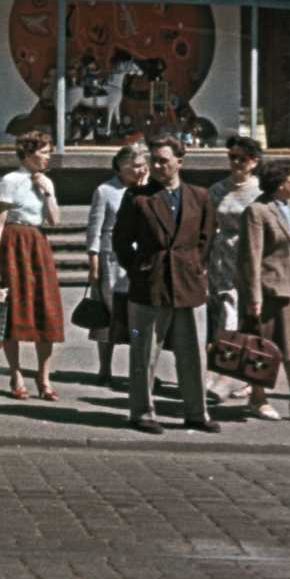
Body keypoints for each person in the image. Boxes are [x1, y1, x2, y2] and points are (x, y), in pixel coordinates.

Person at [113, 134, 220, 434]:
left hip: (189, 284)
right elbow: (121, 243)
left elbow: (206, 238)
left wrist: (193, 266)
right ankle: (142, 412)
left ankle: (197, 413)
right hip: (150, 284)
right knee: (144, 352)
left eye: (163, 160)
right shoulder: (137, 197)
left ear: (180, 162)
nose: (156, 166)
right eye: (153, 160)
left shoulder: (199, 196)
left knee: (193, 353)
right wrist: (140, 269)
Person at [233, 159, 290, 422]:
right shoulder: (257, 211)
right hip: (269, 291)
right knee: (263, 348)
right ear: (280, 181)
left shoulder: (289, 205)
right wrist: (253, 298)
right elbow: (250, 257)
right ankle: (257, 399)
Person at [0, 130, 65, 400]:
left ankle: (44, 375)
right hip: (12, 243)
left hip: (37, 244)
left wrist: (47, 192)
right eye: (43, 152)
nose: (48, 158)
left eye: (49, 152)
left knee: (46, 310)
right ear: (28, 153)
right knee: (12, 312)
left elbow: (55, 220)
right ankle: (16, 373)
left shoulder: (46, 182)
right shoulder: (10, 181)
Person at [203, 135, 264, 401]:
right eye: (232, 157)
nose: (236, 162)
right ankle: (217, 374)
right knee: (222, 313)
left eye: (242, 158)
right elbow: (206, 225)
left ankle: (227, 379)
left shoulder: (261, 190)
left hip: (249, 256)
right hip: (220, 257)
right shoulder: (218, 189)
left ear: (254, 162)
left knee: (238, 314)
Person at [84, 144, 147, 388]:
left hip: (139, 257)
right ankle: (104, 369)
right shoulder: (106, 190)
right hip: (112, 259)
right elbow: (95, 228)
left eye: (144, 165)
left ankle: (138, 369)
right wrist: (93, 261)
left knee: (138, 315)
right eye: (136, 166)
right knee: (108, 315)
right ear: (122, 167)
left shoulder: (149, 190)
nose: (142, 170)